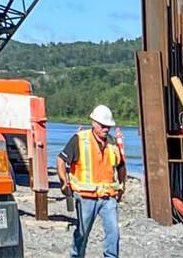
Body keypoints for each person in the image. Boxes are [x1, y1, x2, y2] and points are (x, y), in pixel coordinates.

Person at [57, 105, 126, 258]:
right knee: (82, 233)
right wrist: (64, 181)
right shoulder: (79, 140)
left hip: (107, 197)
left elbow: (121, 165)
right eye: (103, 125)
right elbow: (61, 160)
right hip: (85, 197)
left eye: (108, 126)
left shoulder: (112, 143)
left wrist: (122, 186)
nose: (106, 129)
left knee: (113, 232)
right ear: (93, 123)